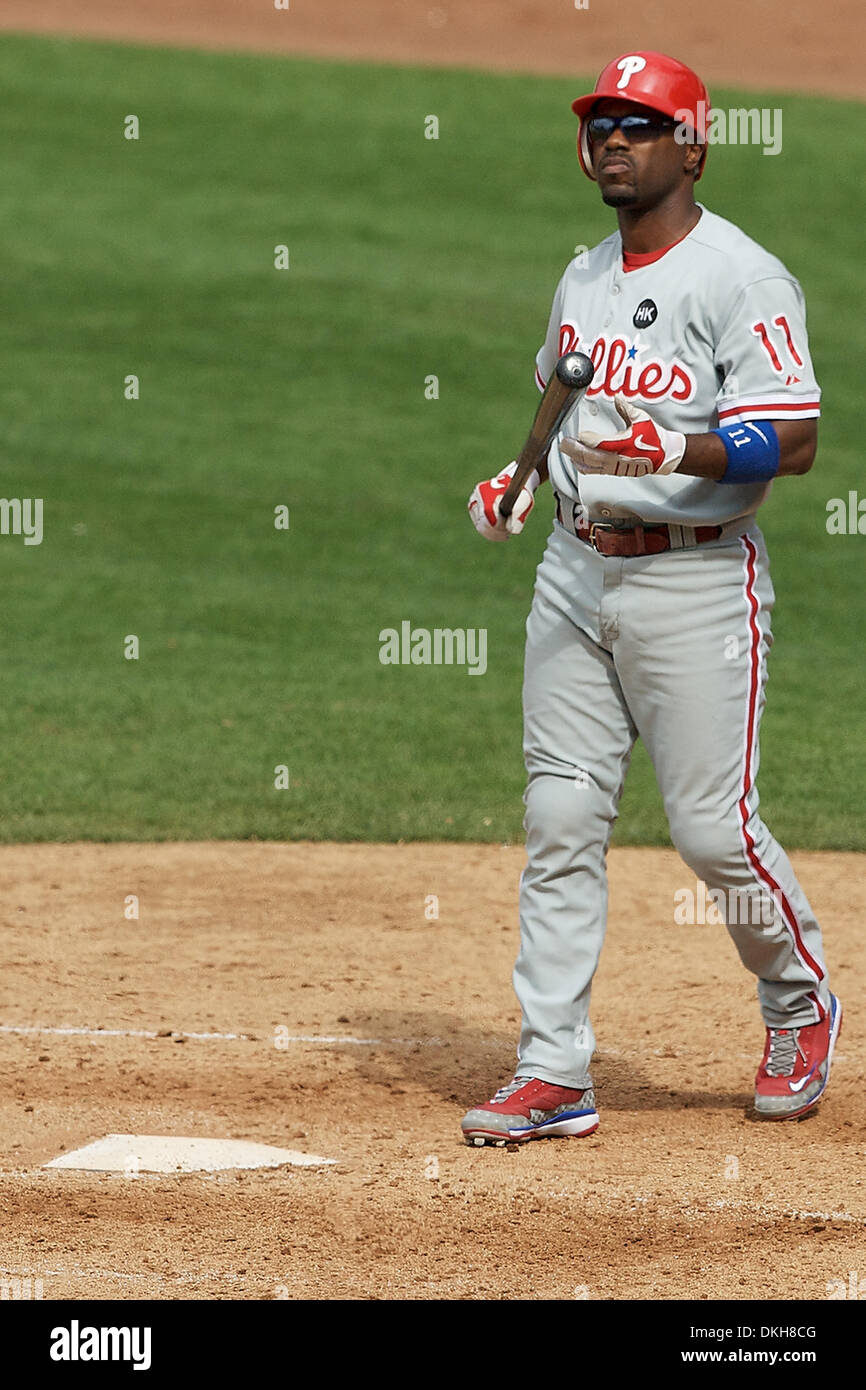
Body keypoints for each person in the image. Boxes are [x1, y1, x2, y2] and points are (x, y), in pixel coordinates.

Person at [463, 51, 840, 1146]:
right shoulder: (581, 276)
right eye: (601, 124)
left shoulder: (741, 277)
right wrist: (519, 477)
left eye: (640, 123)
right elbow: (558, 389)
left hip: (695, 579)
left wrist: (676, 442)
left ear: (694, 143)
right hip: (575, 572)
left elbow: (797, 434)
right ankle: (551, 1068)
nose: (613, 140)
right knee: (560, 817)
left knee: (711, 834)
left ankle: (795, 999)